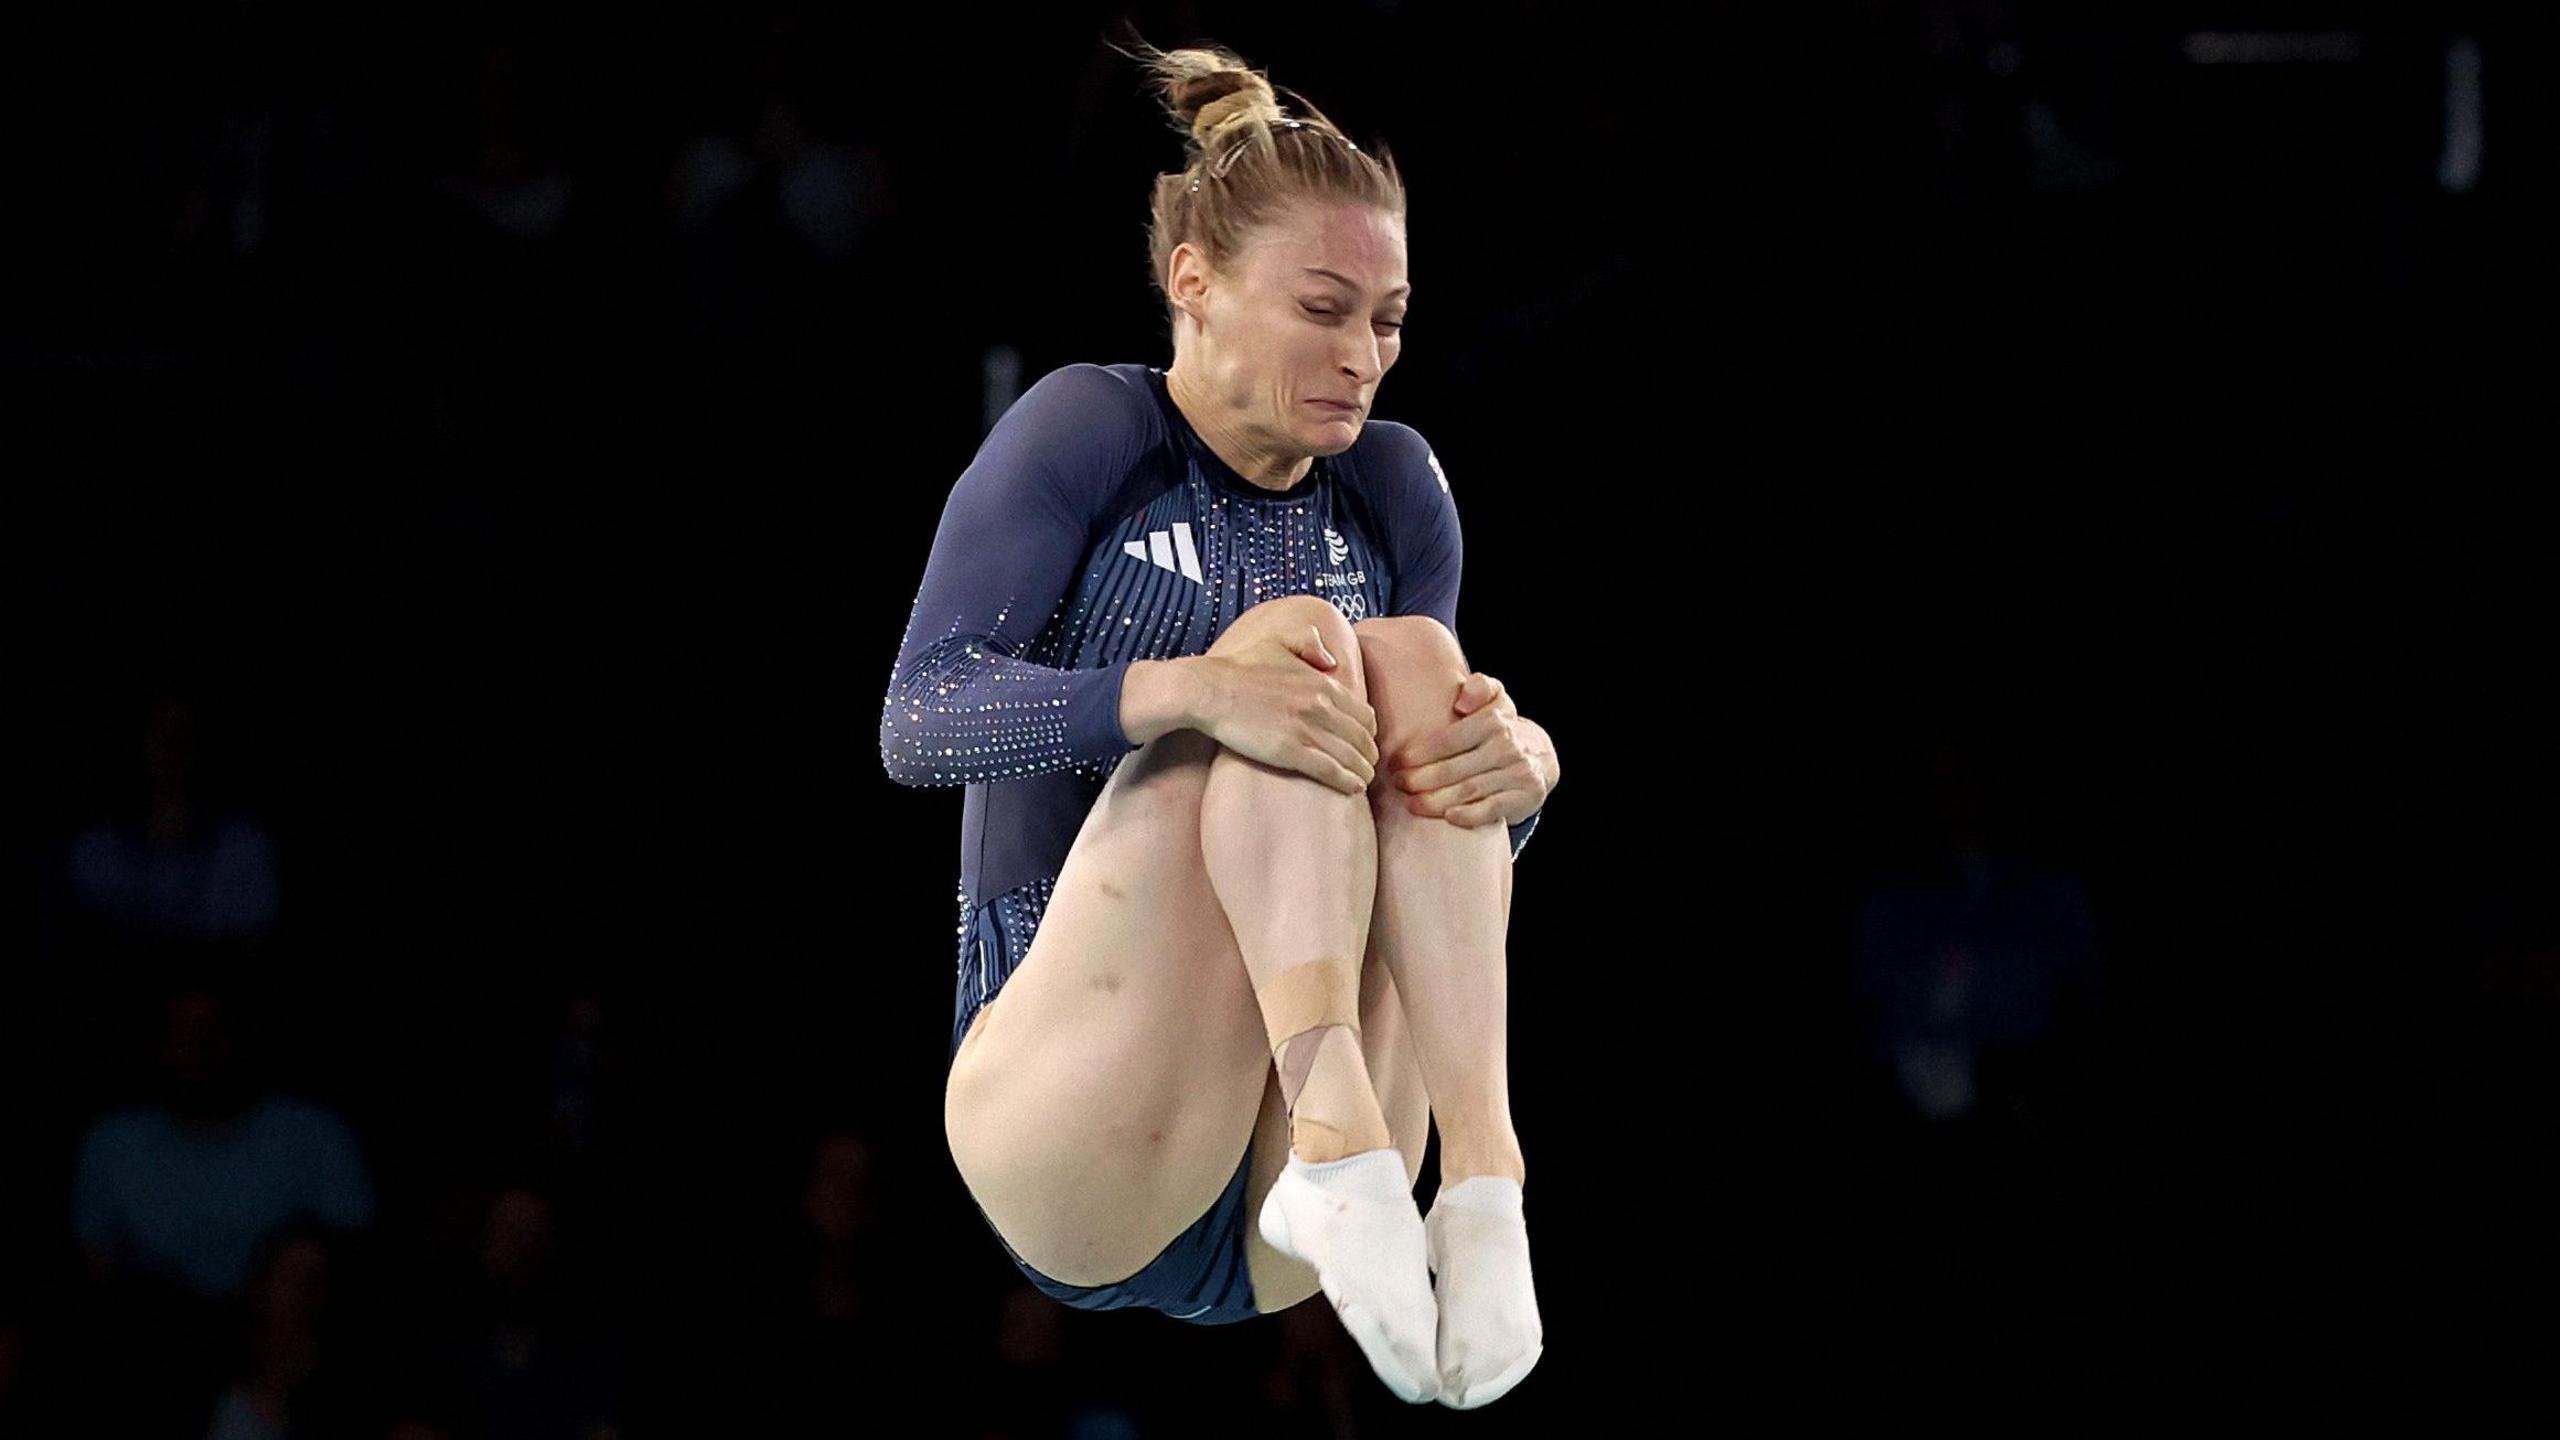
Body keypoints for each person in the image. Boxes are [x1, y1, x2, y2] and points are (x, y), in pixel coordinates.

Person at [879, 41, 1560, 1409]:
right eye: (1324, 307)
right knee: (1296, 647)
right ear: (1194, 283)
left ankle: (1484, 1188)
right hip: (1083, 1121)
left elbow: (1430, 828)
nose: (1364, 357)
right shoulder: (1089, 428)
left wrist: (1525, 771)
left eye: (1390, 318)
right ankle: (1344, 1147)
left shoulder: (1399, 489)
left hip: (1285, 1202)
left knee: (1418, 661)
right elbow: (920, 715)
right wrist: (1185, 688)